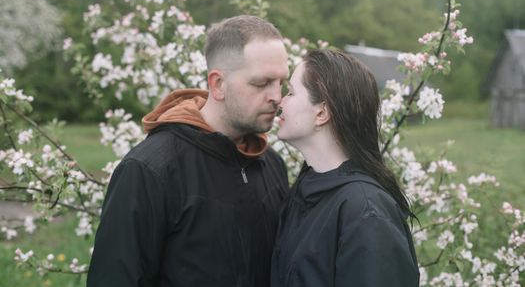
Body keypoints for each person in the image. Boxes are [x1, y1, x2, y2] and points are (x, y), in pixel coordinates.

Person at [87, 15, 290, 287]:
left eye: (281, 83)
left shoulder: (271, 164)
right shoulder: (149, 170)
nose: (276, 96)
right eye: (261, 83)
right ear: (218, 84)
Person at [271, 48, 419, 287]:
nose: (280, 101)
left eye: (290, 92)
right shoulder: (307, 190)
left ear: (321, 113)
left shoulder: (365, 211)